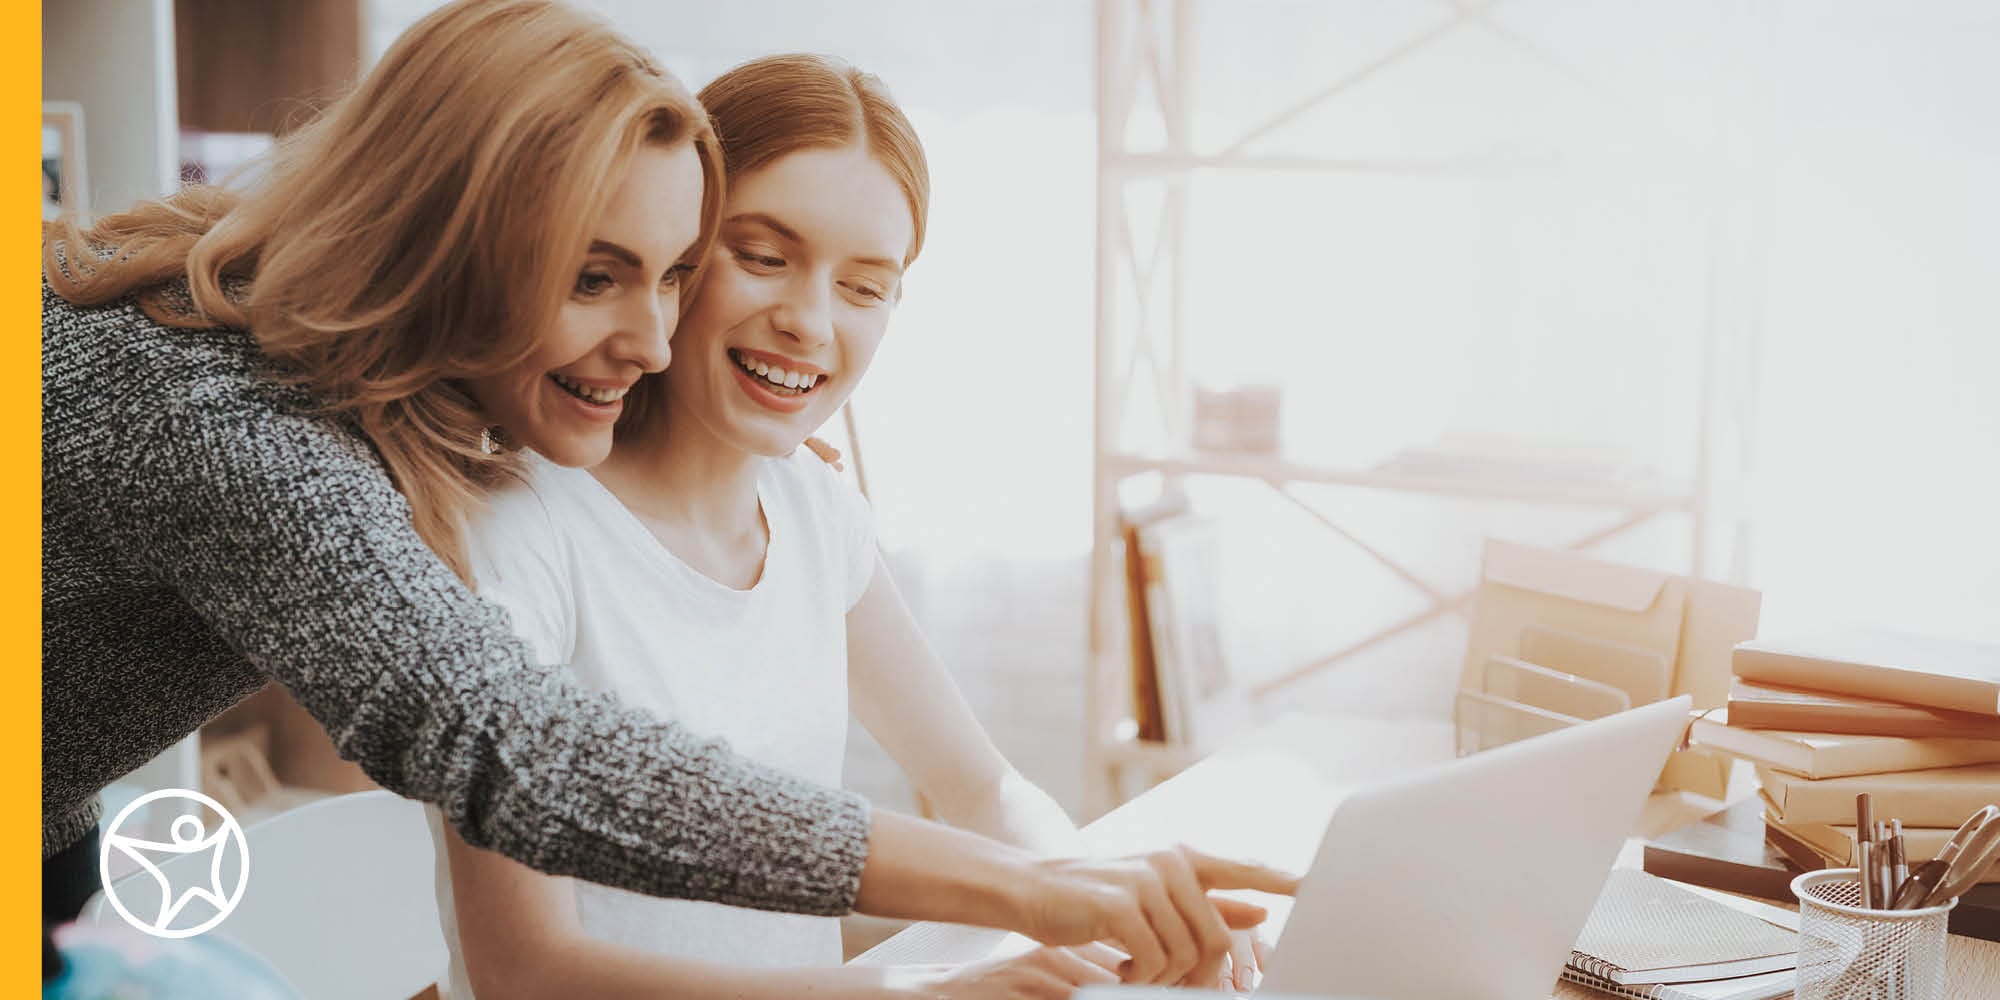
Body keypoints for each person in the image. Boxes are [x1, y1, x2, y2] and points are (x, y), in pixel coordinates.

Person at [40, 0, 1291, 984]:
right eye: (597, 275)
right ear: (452, 239)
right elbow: (515, 751)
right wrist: (1021, 893)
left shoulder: (346, 366)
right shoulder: (234, 424)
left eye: (670, 276)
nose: (649, 336)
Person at [430, 53, 1263, 998]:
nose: (809, 321)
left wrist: (1117, 900)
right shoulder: (522, 532)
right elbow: (527, 972)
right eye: (763, 256)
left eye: (865, 286)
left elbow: (979, 788)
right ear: (677, 250)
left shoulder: (813, 513)